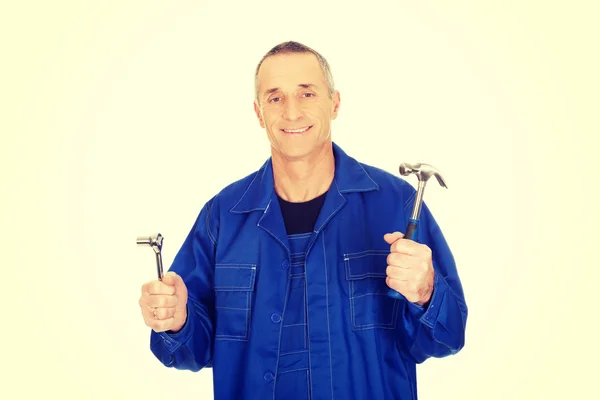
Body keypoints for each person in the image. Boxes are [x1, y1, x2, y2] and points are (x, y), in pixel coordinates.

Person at [139, 41, 468, 400]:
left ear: (335, 103)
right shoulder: (222, 217)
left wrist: (426, 293)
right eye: (275, 98)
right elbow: (190, 350)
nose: (292, 112)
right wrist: (176, 320)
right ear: (258, 113)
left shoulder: (396, 205)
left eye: (307, 93)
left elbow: (445, 338)